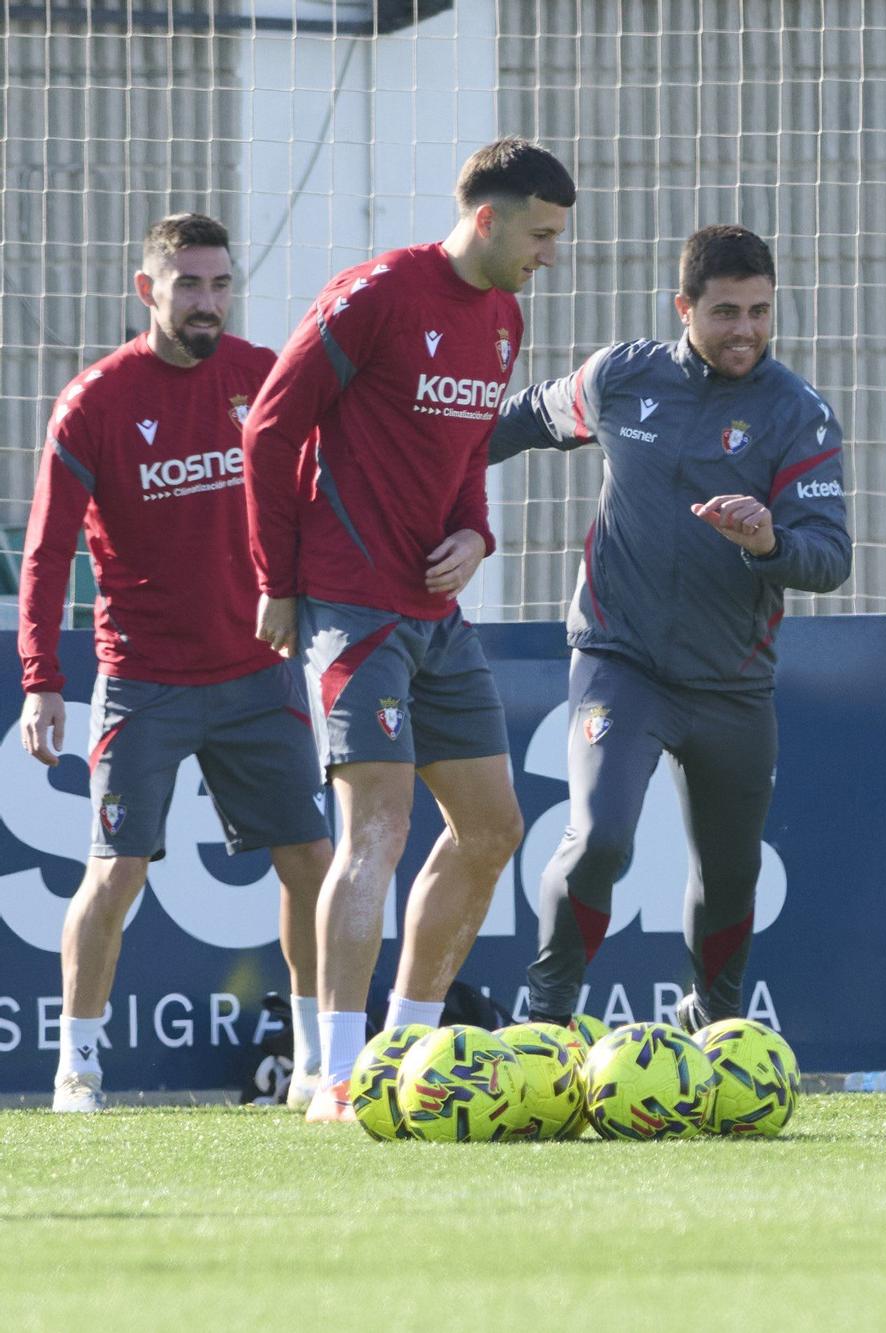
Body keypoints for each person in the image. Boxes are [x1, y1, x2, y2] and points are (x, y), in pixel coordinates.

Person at [242, 138, 575, 1123]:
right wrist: (276, 580)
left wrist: (477, 530)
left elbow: (469, 451)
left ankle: (405, 1046)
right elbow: (269, 427)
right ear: (487, 219)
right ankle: (335, 1077)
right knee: (377, 830)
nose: (549, 254)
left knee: (493, 829)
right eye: (541, 234)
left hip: (438, 613)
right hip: (351, 609)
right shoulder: (376, 294)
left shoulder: (506, 316)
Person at [488, 223, 850, 1033]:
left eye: (761, 311)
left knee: (730, 875)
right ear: (682, 307)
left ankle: (712, 1025)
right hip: (622, 661)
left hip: (733, 683)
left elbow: (830, 557)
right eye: (726, 312)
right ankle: (542, 1028)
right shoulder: (623, 376)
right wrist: (419, 487)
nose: (747, 330)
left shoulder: (799, 414)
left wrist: (769, 542)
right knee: (602, 837)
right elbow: (509, 425)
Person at [16, 213, 332, 1112]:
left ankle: (313, 1063)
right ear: (147, 289)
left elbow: (324, 488)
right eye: (188, 284)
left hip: (257, 669)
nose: (207, 302)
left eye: (220, 284)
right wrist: (43, 677)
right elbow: (46, 553)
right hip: (144, 678)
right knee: (115, 872)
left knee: (310, 857)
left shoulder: (260, 377)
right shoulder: (95, 400)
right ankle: (76, 1068)